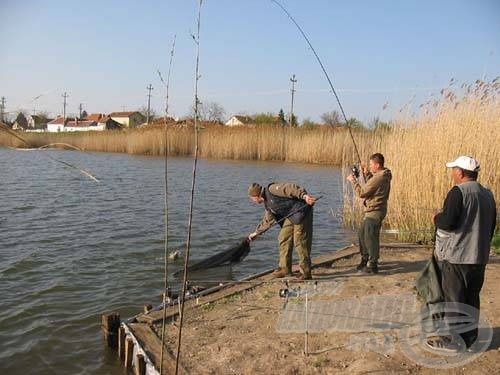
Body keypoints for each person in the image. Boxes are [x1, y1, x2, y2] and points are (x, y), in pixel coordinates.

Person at [428, 156, 496, 352]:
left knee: (454, 299)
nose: (452, 173)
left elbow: (448, 222)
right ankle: (470, 339)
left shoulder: (458, 192)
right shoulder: (488, 194)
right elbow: (491, 225)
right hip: (479, 257)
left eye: (454, 169)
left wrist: (436, 218)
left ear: (461, 172)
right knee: (472, 298)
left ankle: (453, 341)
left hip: (457, 257)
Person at [247, 182, 316, 280]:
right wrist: (256, 233)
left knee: (300, 242)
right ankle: (285, 269)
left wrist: (305, 197)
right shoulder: (268, 205)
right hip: (291, 216)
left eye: (252, 198)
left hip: (302, 212)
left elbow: (291, 188)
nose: (252, 201)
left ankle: (305, 272)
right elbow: (267, 221)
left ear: (256, 195)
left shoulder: (272, 189)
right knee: (283, 238)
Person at [346, 153, 392, 274]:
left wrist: (353, 181)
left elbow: (362, 192)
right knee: (362, 233)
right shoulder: (382, 174)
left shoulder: (379, 177)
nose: (370, 166)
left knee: (370, 237)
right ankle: (365, 259)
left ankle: (372, 264)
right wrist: (366, 173)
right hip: (374, 210)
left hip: (375, 211)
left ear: (377, 165)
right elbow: (372, 185)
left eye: (371, 164)